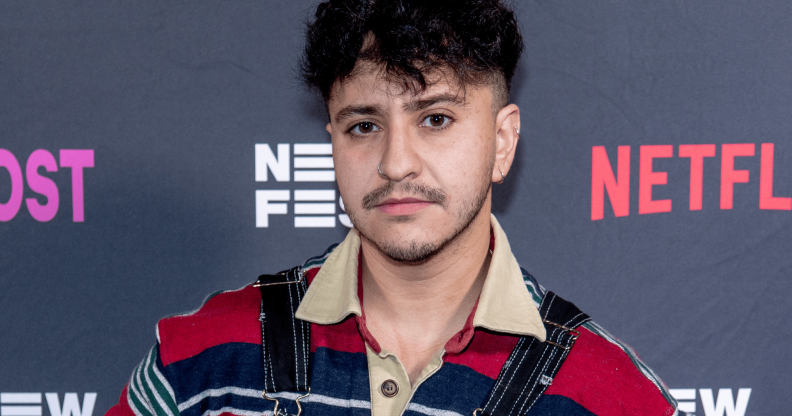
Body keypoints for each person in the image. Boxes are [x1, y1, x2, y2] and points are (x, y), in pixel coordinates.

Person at [107, 1, 681, 415]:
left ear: (502, 142)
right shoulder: (205, 362)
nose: (396, 163)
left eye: (435, 119)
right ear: (332, 140)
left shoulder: (607, 395)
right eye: (364, 125)